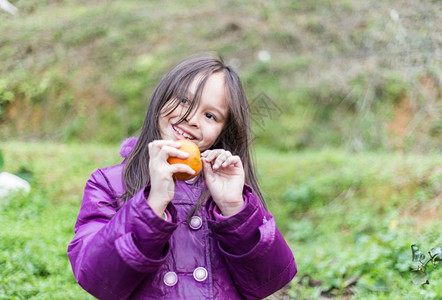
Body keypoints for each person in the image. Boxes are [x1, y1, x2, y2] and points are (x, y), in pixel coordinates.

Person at [67, 55, 297, 300]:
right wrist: (152, 204)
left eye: (211, 116)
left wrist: (233, 207)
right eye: (185, 100)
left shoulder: (227, 190)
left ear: (223, 131)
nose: (192, 119)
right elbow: (96, 278)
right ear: (161, 97)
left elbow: (270, 279)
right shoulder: (108, 184)